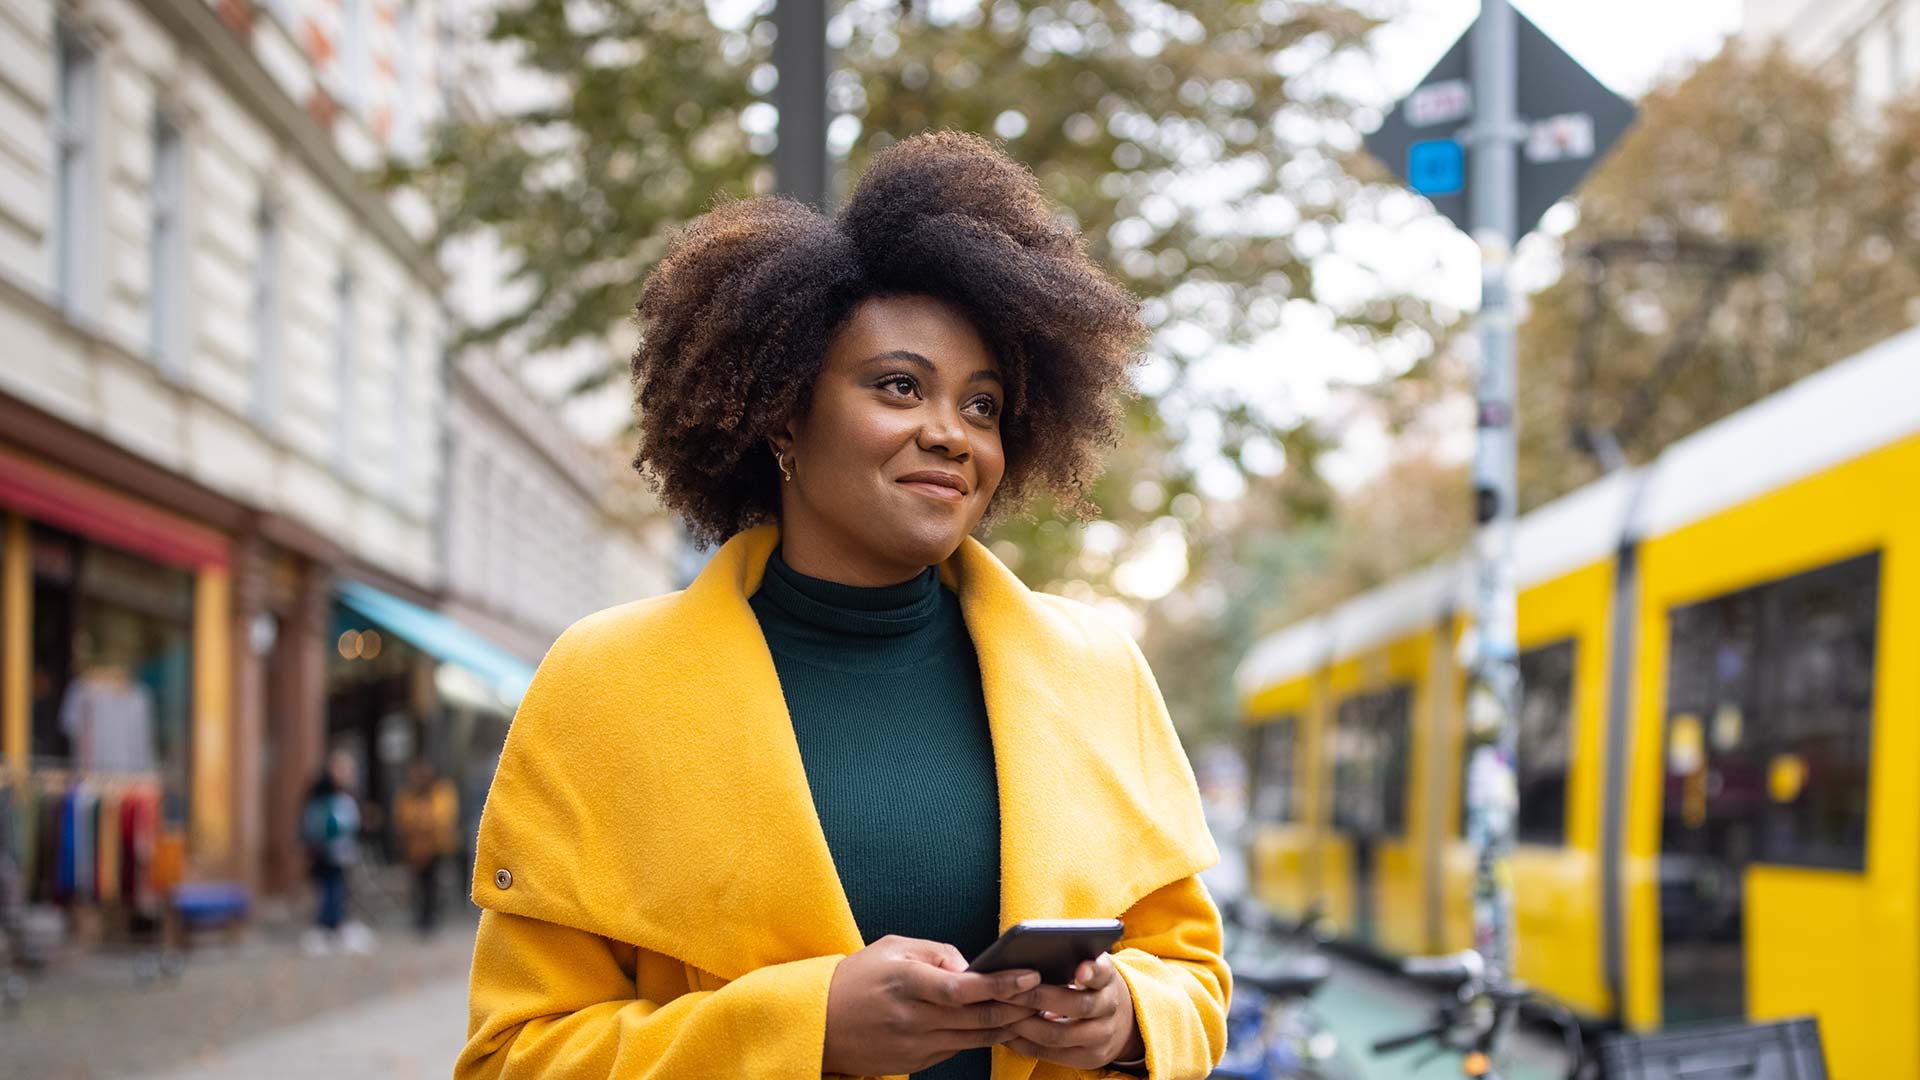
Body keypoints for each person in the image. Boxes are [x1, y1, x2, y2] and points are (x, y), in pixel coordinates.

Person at [457, 131, 1228, 1080]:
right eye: (899, 386)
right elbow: (513, 1055)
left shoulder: (1097, 670)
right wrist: (803, 1031)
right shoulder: (608, 680)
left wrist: (1124, 1022)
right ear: (784, 413)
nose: (950, 434)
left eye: (982, 406)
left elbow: (1190, 974)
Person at [300, 749, 362, 956]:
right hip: (326, 852)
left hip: (342, 852)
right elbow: (316, 823)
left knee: (338, 889)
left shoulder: (346, 795)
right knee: (328, 889)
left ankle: (335, 925)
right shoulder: (322, 795)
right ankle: (324, 927)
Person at [393, 757, 458, 936]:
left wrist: (424, 823)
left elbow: (442, 817)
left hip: (436, 846)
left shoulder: (442, 792)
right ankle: (419, 916)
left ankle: (430, 917)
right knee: (418, 883)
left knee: (432, 883)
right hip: (415, 848)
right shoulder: (408, 795)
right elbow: (403, 819)